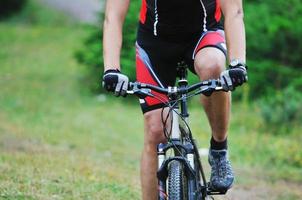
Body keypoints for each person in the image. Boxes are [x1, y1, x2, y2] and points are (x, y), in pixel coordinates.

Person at [102, 0, 248, 199]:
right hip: (155, 42)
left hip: (204, 34)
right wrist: (111, 69)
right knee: (155, 131)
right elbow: (113, 16)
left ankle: (219, 149)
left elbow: (234, 11)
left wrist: (237, 63)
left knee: (213, 67)